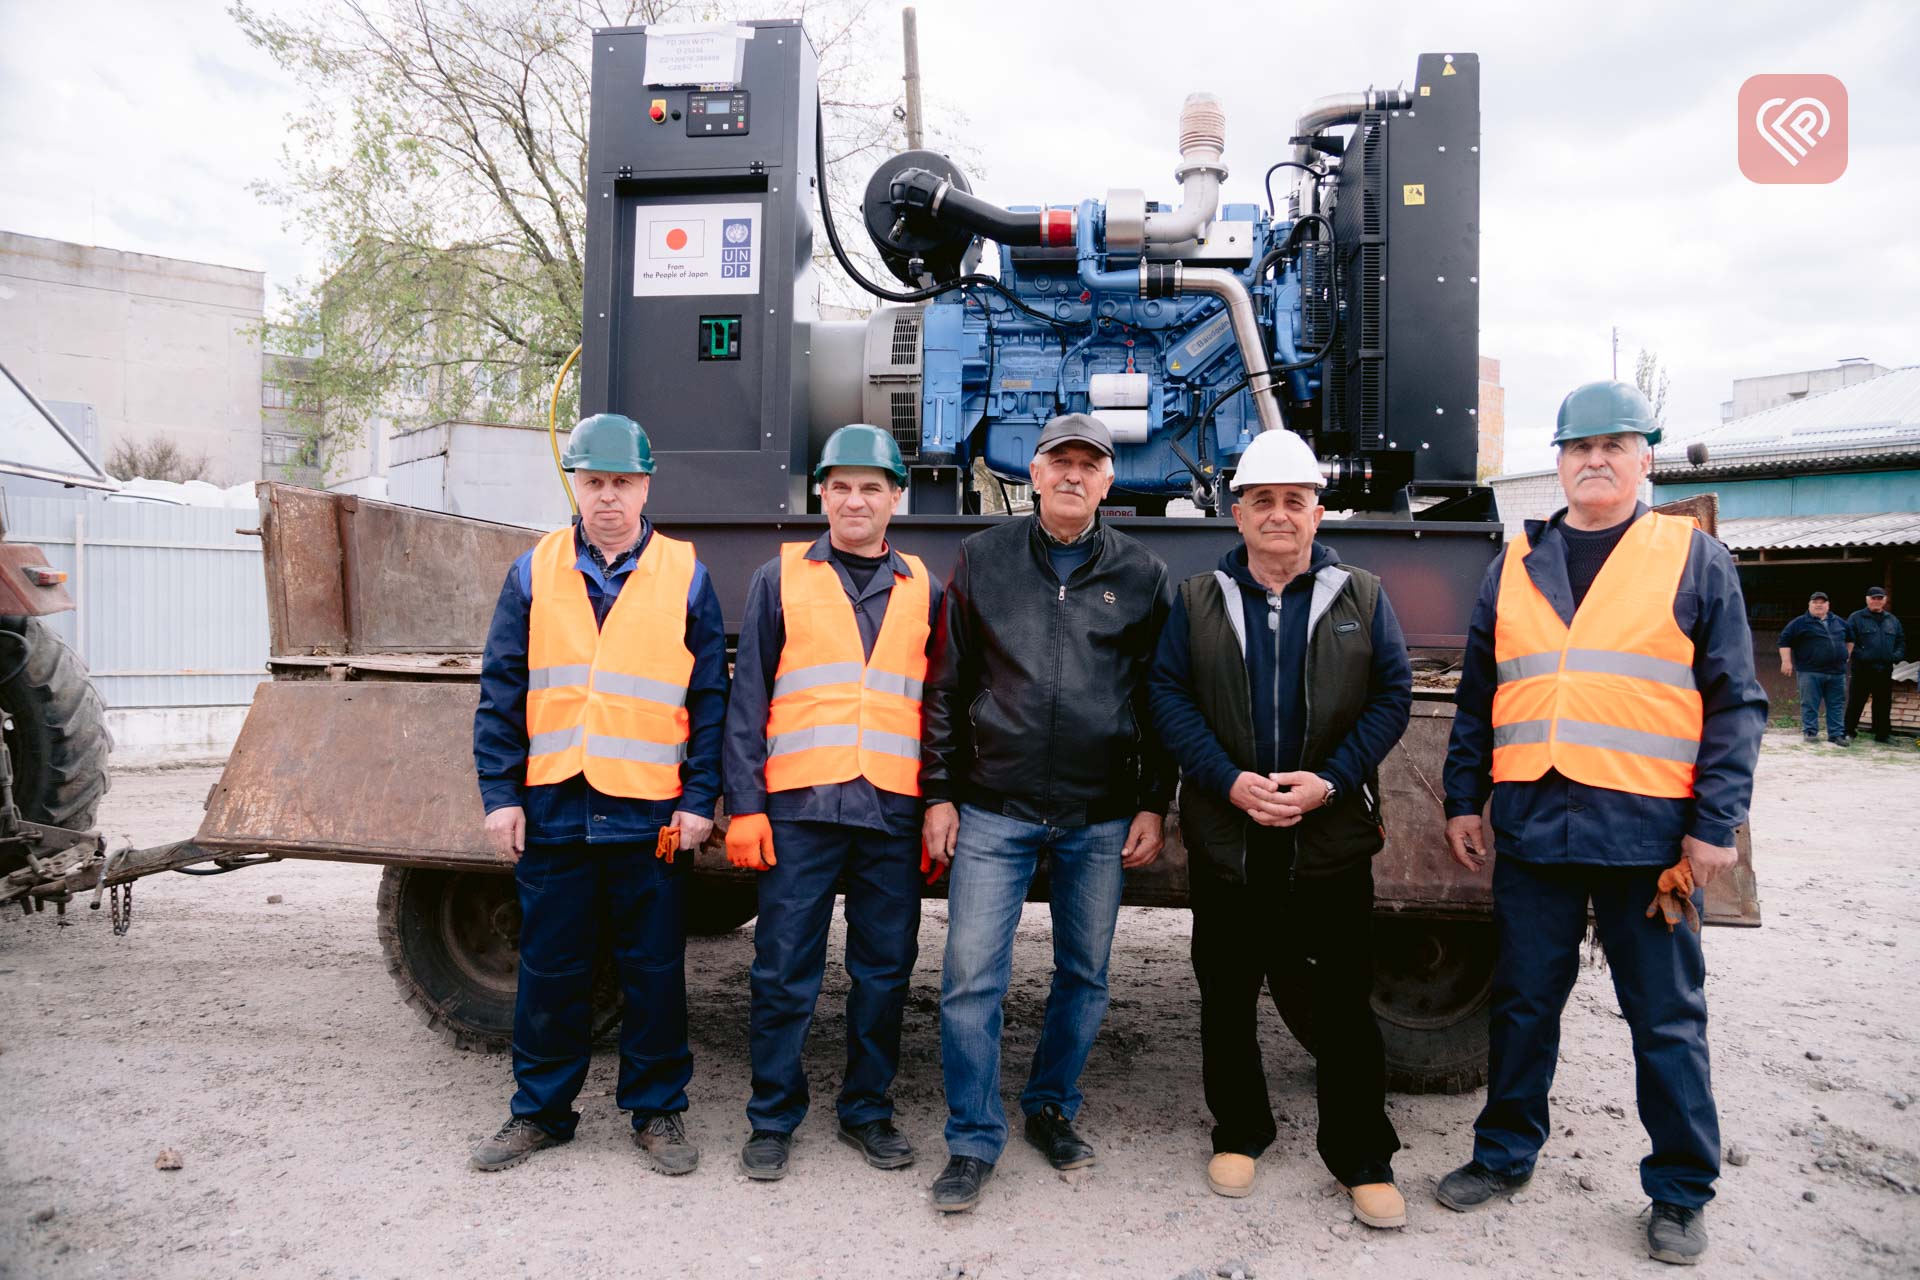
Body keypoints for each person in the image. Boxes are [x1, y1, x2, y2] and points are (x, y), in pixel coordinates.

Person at [1438, 381, 1767, 1266]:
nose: (1596, 460)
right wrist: (1463, 799)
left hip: (1648, 833)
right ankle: (1504, 1156)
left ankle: (1680, 1192)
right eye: (1581, 447)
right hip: (1538, 824)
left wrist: (1715, 824)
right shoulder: (1514, 563)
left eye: (1615, 445)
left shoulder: (1693, 559)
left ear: (1645, 458)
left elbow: (1737, 703)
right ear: (1558, 462)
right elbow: (1480, 696)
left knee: (1664, 1016)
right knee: (1522, 1004)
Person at [1147, 428, 1414, 1227]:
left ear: (1317, 512)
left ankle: (1361, 1155)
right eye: (1262, 501)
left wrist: (1329, 782)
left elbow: (1392, 696)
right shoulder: (1197, 600)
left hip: (1328, 840)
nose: (1278, 516)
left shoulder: (1362, 595)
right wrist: (1227, 782)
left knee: (1340, 1003)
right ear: (1237, 514)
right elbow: (1167, 697)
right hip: (1230, 840)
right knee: (1226, 994)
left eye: (1294, 502)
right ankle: (1240, 1129)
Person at [920, 413, 1174, 1214]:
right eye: (1058, 462)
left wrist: (1151, 803)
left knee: (1086, 976)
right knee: (969, 979)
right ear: (1033, 475)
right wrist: (938, 791)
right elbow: (946, 684)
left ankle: (1051, 1107)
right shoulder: (983, 558)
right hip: (995, 808)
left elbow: (1160, 699)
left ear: (1108, 480)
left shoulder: (1143, 573)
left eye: (1088, 464)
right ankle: (971, 1137)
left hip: (1100, 816)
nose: (1072, 475)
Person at [468, 413, 729, 1176]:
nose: (608, 497)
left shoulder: (686, 573)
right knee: (551, 969)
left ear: (646, 485)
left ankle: (658, 1113)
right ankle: (541, 1113)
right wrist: (499, 796)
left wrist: (697, 799)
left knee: (653, 971)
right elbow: (501, 693)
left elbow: (710, 696)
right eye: (594, 483)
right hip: (554, 805)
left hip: (650, 810)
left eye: (622, 482)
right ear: (574, 486)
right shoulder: (533, 570)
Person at [721, 425, 944, 1182]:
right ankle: (772, 1117)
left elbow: (938, 706)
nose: (856, 499)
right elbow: (747, 695)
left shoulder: (925, 587)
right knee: (783, 969)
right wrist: (745, 804)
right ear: (821, 493)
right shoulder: (777, 579)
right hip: (800, 810)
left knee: (884, 973)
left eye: (871, 487)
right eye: (842, 486)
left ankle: (868, 1111)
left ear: (895, 498)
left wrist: (936, 805)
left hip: (890, 811)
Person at [1778, 591, 1852, 745]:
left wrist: (1847, 654)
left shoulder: (1839, 622)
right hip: (1810, 671)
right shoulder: (1799, 623)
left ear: (1828, 605)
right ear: (1809, 605)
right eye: (1815, 602)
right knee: (1810, 703)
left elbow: (1851, 638)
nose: (1819, 605)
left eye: (1822, 602)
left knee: (1836, 704)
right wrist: (1786, 662)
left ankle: (1836, 735)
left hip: (1837, 672)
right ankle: (1810, 732)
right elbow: (1784, 641)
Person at [1845, 587, 1905, 744]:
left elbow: (1900, 641)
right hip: (1862, 669)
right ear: (1867, 599)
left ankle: (1882, 735)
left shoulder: (1892, 620)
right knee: (1856, 702)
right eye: (1873, 598)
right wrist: (1861, 656)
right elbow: (1848, 639)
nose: (1876, 601)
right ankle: (1848, 732)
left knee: (1883, 703)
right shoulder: (1856, 618)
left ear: (1885, 600)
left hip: (1884, 669)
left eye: (1880, 598)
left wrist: (1896, 656)